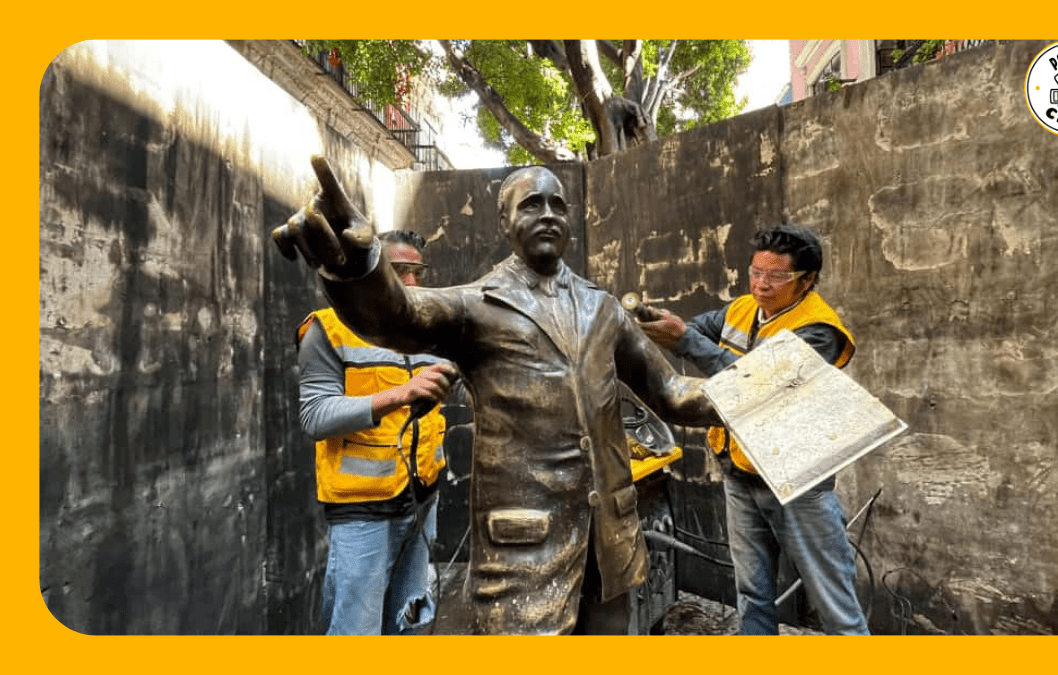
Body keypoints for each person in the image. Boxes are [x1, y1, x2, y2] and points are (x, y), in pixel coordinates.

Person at [273, 156, 722, 635]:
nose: (548, 213)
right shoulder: (477, 305)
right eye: (531, 204)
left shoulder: (603, 308)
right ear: (505, 221)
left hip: (609, 547)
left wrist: (766, 394)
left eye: (557, 205)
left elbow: (672, 391)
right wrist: (360, 266)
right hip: (524, 552)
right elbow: (396, 316)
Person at [638, 222, 870, 635]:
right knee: (751, 592)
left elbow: (756, 386)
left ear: (808, 280)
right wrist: (664, 325)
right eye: (755, 272)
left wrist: (684, 339)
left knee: (834, 603)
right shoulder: (741, 309)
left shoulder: (820, 330)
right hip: (739, 473)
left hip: (795, 480)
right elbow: (694, 327)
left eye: (776, 276)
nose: (762, 285)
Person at [295, 229, 459, 635]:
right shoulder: (328, 329)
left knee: (409, 621)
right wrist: (399, 394)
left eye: (417, 271)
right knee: (357, 631)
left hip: (422, 500)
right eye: (399, 270)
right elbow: (315, 416)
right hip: (361, 512)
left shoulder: (429, 329)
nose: (412, 283)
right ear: (372, 275)